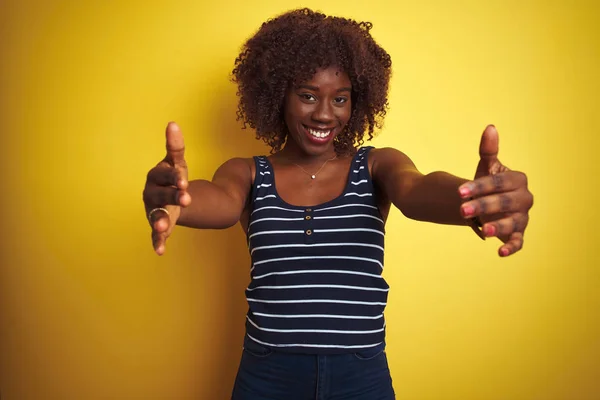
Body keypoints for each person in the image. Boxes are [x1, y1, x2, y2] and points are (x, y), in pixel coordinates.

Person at [142, 8, 533, 400]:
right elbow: (221, 203)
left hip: (360, 378)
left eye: (340, 99)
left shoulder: (376, 165)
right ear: (279, 95)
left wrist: (475, 198)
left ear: (357, 102)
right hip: (267, 376)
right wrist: (176, 200)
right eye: (308, 96)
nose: (325, 114)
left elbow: (416, 191)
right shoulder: (248, 173)